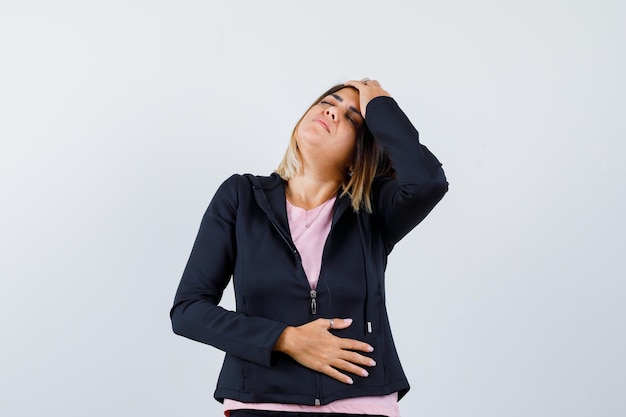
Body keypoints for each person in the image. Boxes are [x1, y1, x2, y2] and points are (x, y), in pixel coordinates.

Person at [170, 78, 448, 417]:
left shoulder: (374, 209)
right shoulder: (241, 197)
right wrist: (285, 339)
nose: (331, 111)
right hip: (260, 402)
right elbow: (188, 311)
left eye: (351, 118)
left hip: (362, 403)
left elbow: (428, 183)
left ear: (360, 155)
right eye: (328, 102)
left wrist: (380, 104)